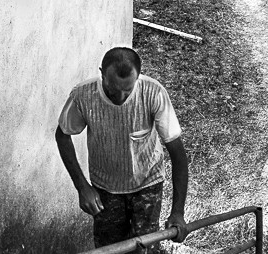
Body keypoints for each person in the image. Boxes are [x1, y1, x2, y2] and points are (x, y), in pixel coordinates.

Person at [55, 47, 188, 251]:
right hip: (105, 189)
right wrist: (82, 187)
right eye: (113, 89)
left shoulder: (153, 93)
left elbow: (177, 153)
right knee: (109, 250)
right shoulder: (83, 95)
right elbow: (63, 135)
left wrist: (178, 212)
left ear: (138, 78)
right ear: (102, 74)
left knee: (145, 249)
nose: (120, 97)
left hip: (147, 183)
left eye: (128, 90)